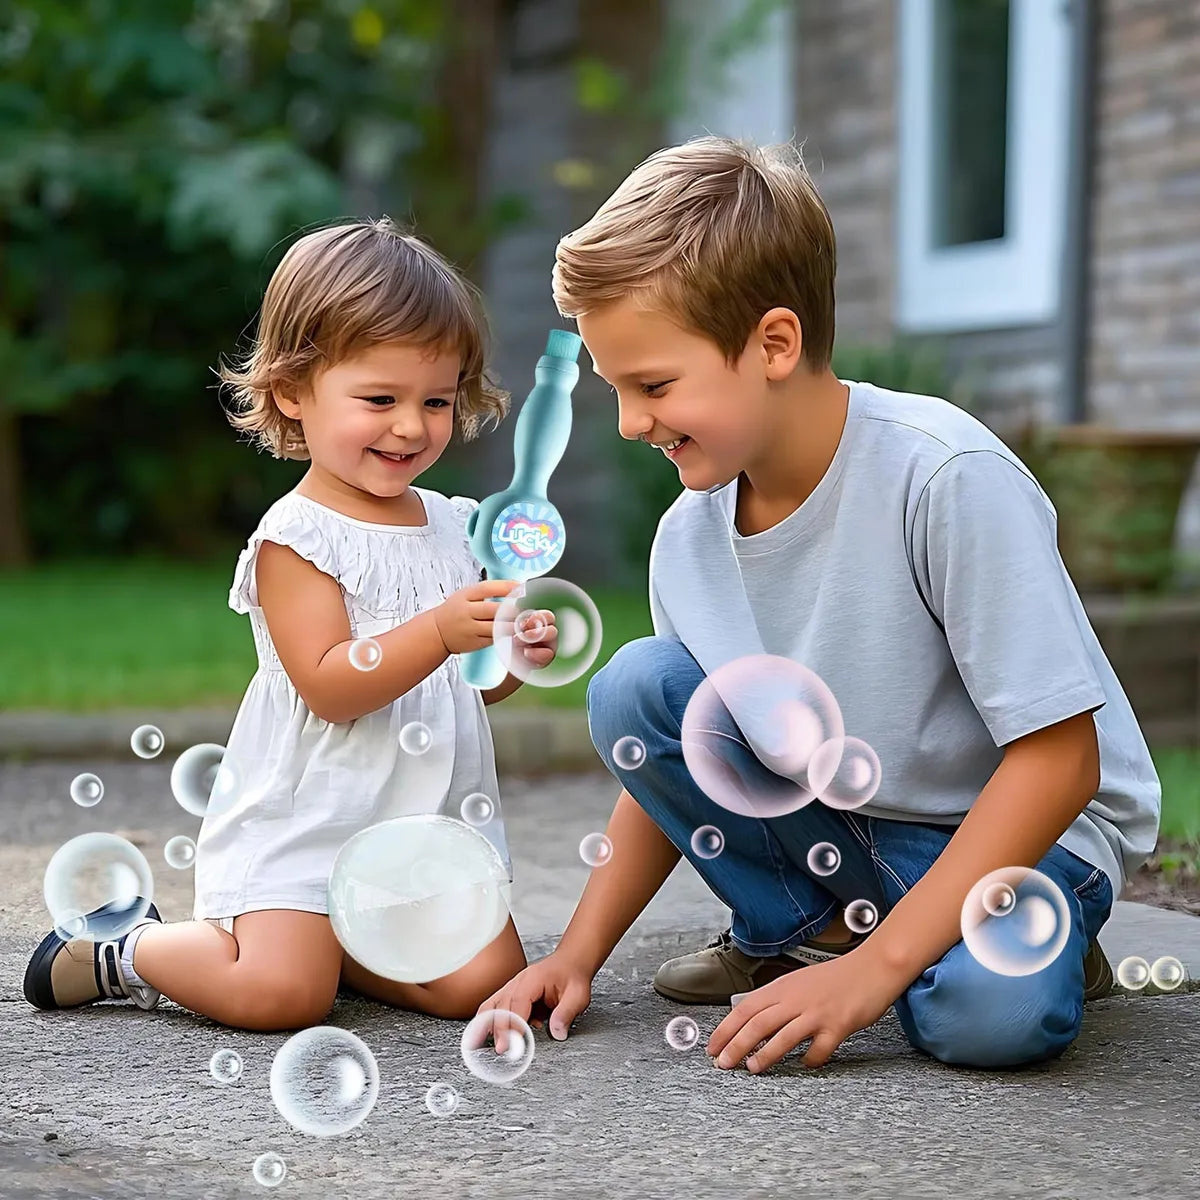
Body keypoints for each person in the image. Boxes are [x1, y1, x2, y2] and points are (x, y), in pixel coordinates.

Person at [478, 136, 1161, 1072]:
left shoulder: (944, 476)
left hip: (1015, 837)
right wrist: (576, 954)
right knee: (638, 685)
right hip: (846, 824)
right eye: (616, 390)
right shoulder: (689, 533)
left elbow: (1061, 760)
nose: (632, 423)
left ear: (774, 343)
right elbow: (686, 747)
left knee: (984, 1022)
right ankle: (817, 930)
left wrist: (875, 976)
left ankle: (922, 947)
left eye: (655, 385)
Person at [24, 218, 556, 1031]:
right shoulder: (297, 538)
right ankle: (123, 950)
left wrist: (509, 655)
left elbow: (469, 690)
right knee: (281, 998)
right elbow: (333, 687)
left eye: (436, 401)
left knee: (484, 986)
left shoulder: (457, 526)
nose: (411, 426)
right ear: (291, 391)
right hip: (309, 826)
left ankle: (347, 942)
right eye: (379, 399)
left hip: (417, 836)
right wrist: (442, 632)